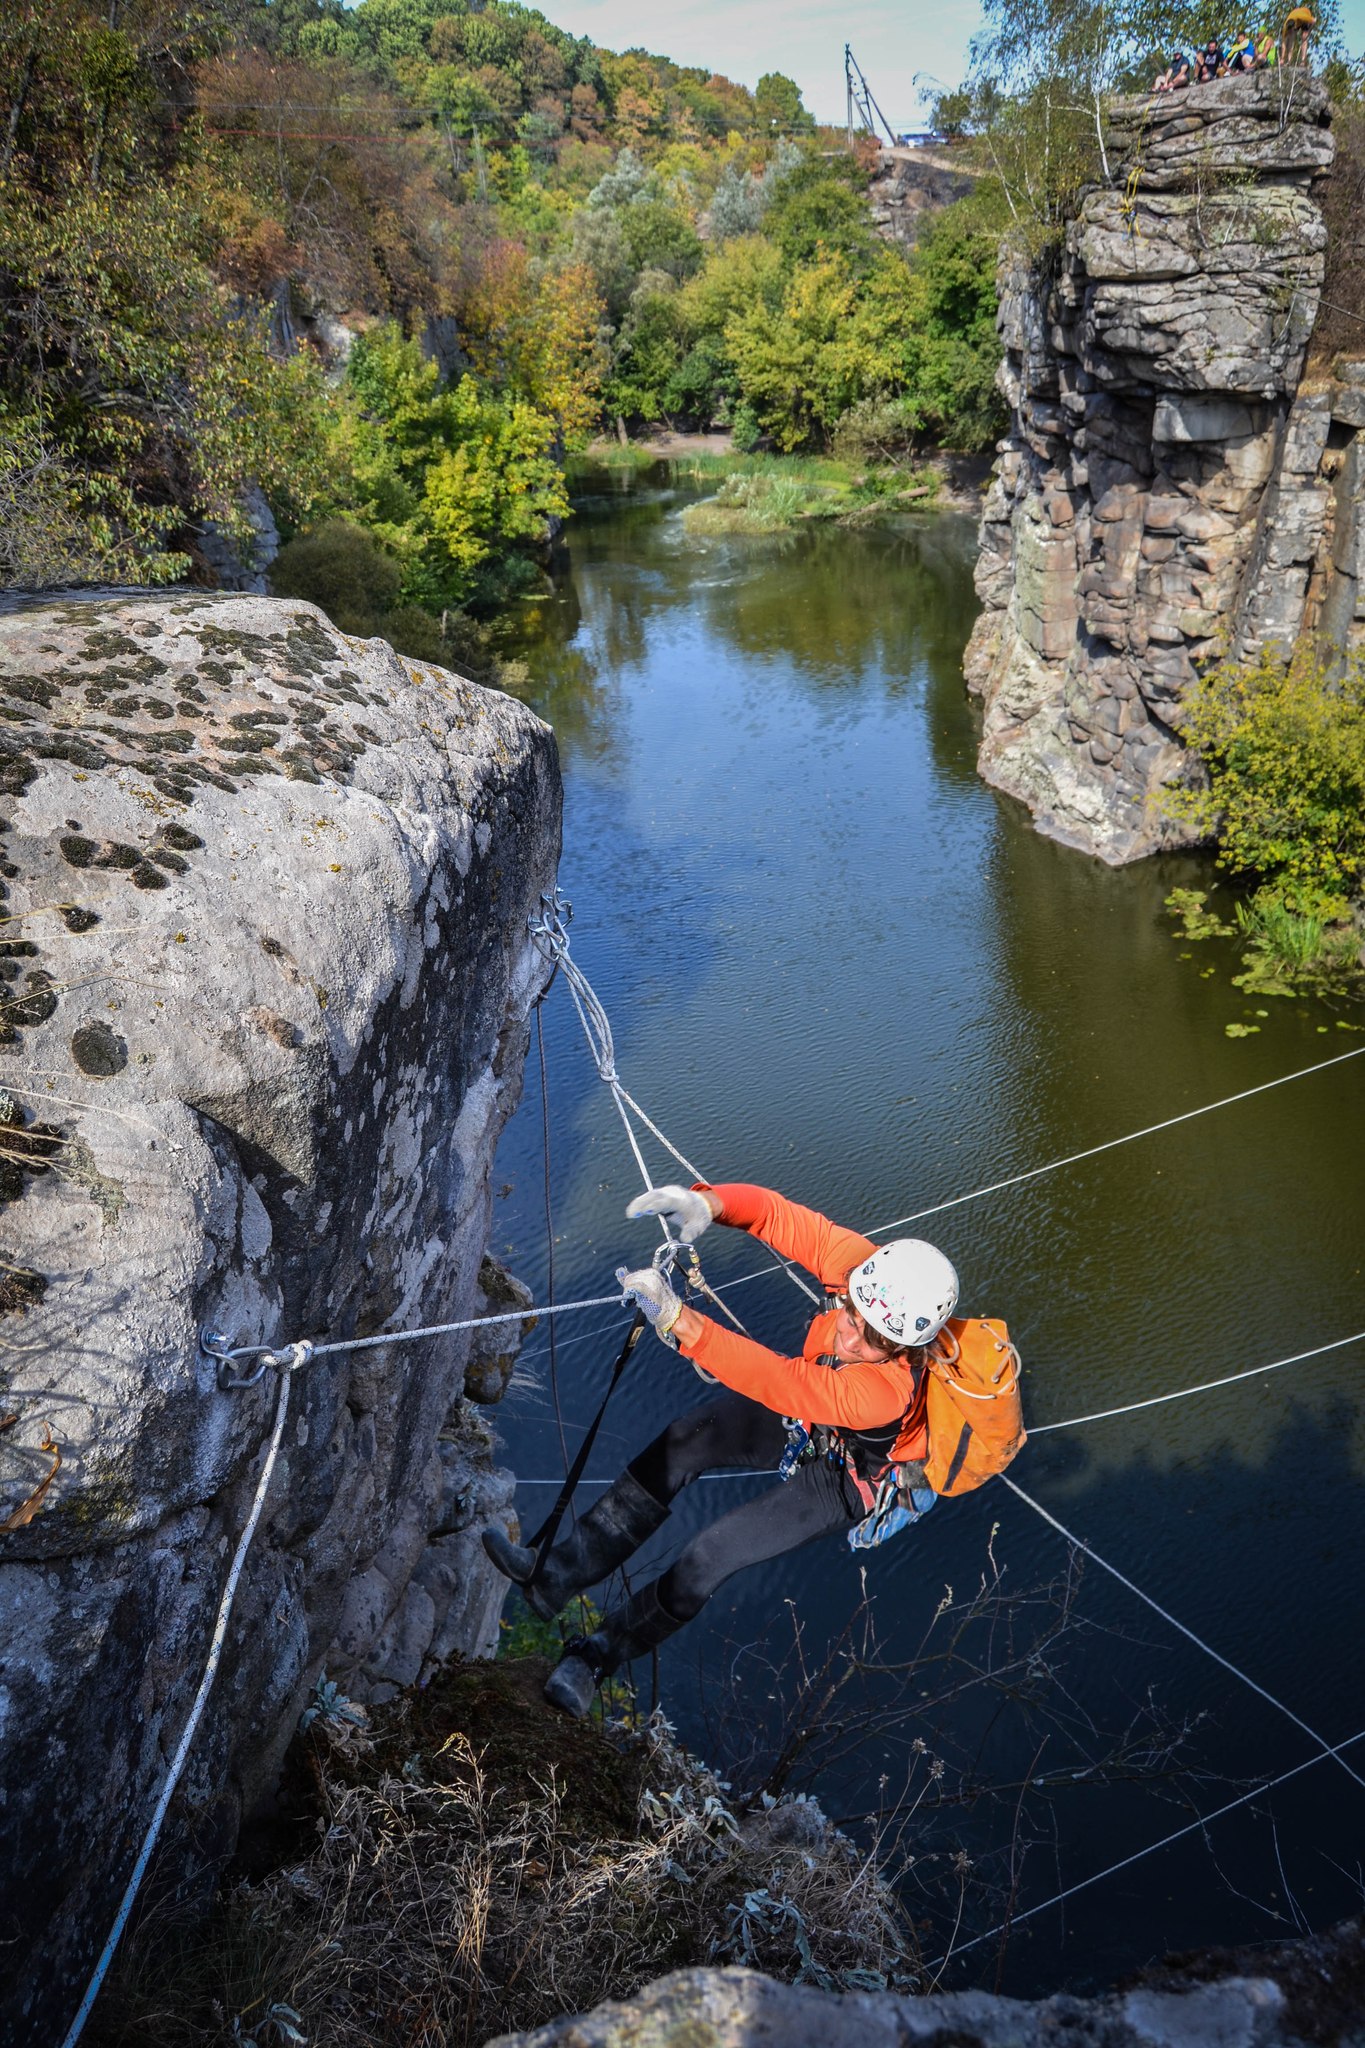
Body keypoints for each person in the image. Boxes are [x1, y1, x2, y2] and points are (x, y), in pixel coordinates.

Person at [483, 1180, 1010, 1717]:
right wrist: (711, 1203)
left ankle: (597, 1658)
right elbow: (781, 1218)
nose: (851, 1339)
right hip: (811, 1420)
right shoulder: (863, 1271)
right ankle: (555, 1575)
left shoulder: (886, 1389)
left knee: (712, 1554)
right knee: (687, 1440)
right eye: (851, 1314)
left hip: (846, 1477)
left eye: (875, 1340)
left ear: (903, 1347)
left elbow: (784, 1382)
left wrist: (680, 1321)